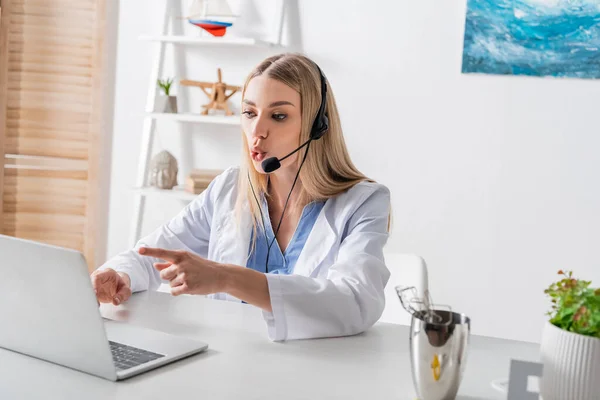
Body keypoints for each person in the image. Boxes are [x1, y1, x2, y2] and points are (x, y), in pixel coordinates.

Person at [93, 53, 392, 341]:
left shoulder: (363, 203)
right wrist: (119, 276)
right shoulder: (230, 188)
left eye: (278, 115)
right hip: (231, 362)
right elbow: (150, 257)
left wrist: (227, 278)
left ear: (318, 126)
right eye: (249, 112)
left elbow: (355, 302)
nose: (257, 131)